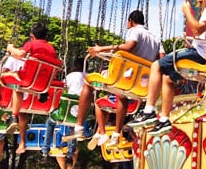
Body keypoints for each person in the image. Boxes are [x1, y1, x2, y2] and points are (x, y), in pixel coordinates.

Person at [128, 0, 206, 136]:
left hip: (200, 56)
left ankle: (148, 110)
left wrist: (187, 11)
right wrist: (203, 5)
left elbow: (197, 29)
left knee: (156, 66)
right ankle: (164, 119)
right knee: (168, 79)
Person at [66, 10, 162, 147]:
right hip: (141, 85)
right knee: (122, 96)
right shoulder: (155, 38)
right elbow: (161, 59)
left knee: (88, 82)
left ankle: (79, 127)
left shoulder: (135, 31)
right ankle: (116, 134)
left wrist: (103, 49)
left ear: (131, 21)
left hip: (125, 78)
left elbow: (129, 46)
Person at [0, 22, 59, 155]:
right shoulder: (51, 49)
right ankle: (16, 125)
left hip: (25, 84)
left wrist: (10, 48)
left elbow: (19, 55)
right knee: (17, 86)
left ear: (32, 36)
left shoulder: (32, 44)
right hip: (39, 88)